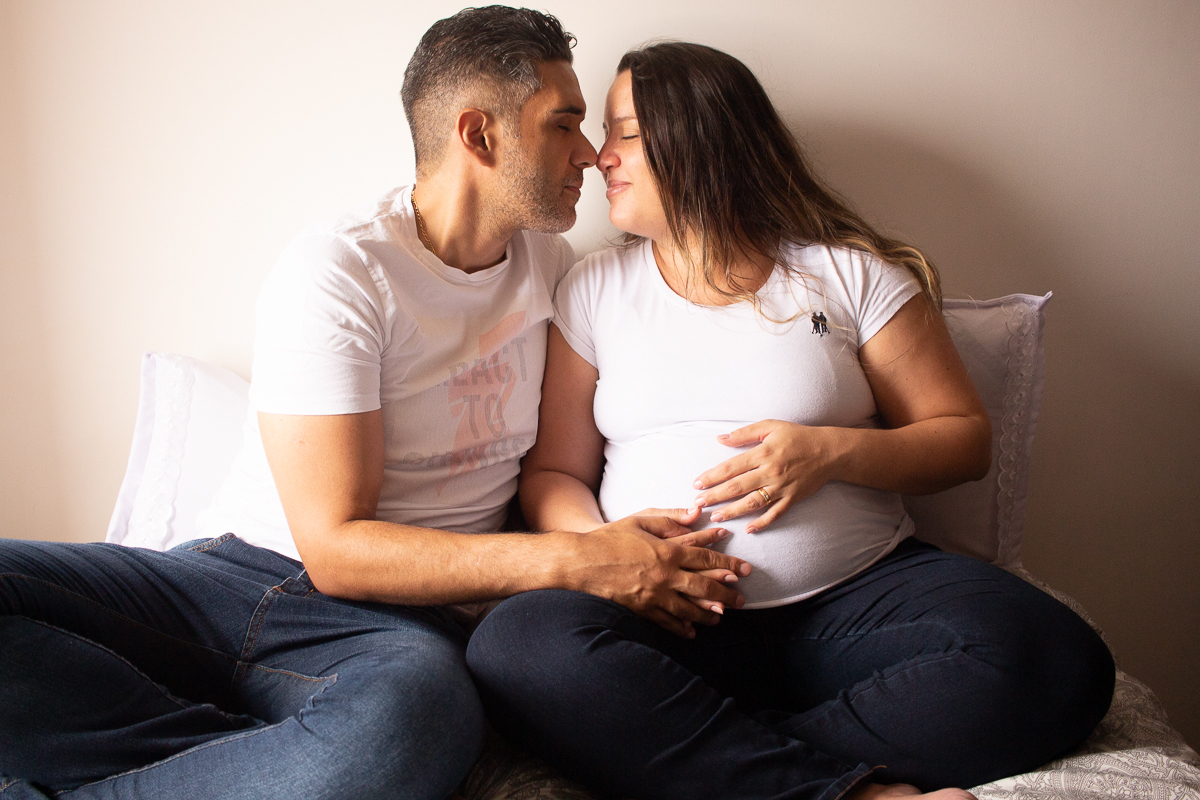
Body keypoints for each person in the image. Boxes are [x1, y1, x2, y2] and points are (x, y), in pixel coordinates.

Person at [0, 14, 749, 800]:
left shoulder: (553, 269)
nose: (591, 155)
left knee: (418, 717)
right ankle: (257, 762)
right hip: (222, 581)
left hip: (386, 631)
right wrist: (579, 561)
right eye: (564, 123)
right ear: (479, 135)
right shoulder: (342, 269)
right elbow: (335, 547)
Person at [466, 42, 1116, 800]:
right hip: (668, 616)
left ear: (701, 135)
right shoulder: (593, 289)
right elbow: (553, 474)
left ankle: (707, 759)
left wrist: (833, 453)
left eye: (625, 131)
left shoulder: (848, 275)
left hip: (854, 603)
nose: (599, 156)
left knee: (1055, 657)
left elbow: (962, 438)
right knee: (515, 649)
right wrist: (605, 550)